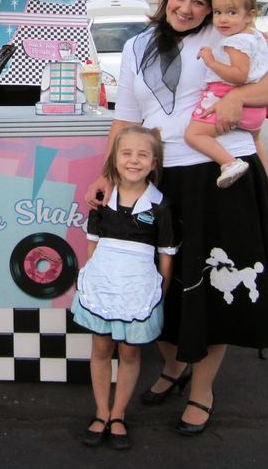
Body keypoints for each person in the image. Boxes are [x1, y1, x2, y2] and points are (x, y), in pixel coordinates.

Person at [85, 0, 268, 436]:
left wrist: (240, 99)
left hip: (221, 174)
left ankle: (202, 390)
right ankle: (173, 366)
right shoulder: (138, 45)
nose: (187, 7)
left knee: (213, 283)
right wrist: (107, 176)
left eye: (199, 0)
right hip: (160, 181)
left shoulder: (231, 38)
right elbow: (127, 119)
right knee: (164, 282)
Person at [73, 126, 176, 451]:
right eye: (126, 153)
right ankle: (101, 411)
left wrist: (159, 294)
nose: (134, 160)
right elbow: (92, 245)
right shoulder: (101, 198)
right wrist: (90, 278)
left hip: (139, 290)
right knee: (101, 349)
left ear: (155, 162)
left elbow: (166, 256)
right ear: (114, 160)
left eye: (143, 154)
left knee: (131, 353)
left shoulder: (161, 206)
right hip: (103, 285)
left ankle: (119, 414)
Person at [184, 0, 268, 187]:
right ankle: (266, 180)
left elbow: (239, 75)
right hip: (256, 108)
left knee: (194, 134)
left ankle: (229, 163)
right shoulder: (255, 36)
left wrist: (211, 61)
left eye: (231, 13)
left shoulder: (235, 41)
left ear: (249, 15)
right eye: (217, 12)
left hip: (225, 97)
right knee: (256, 140)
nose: (222, 19)